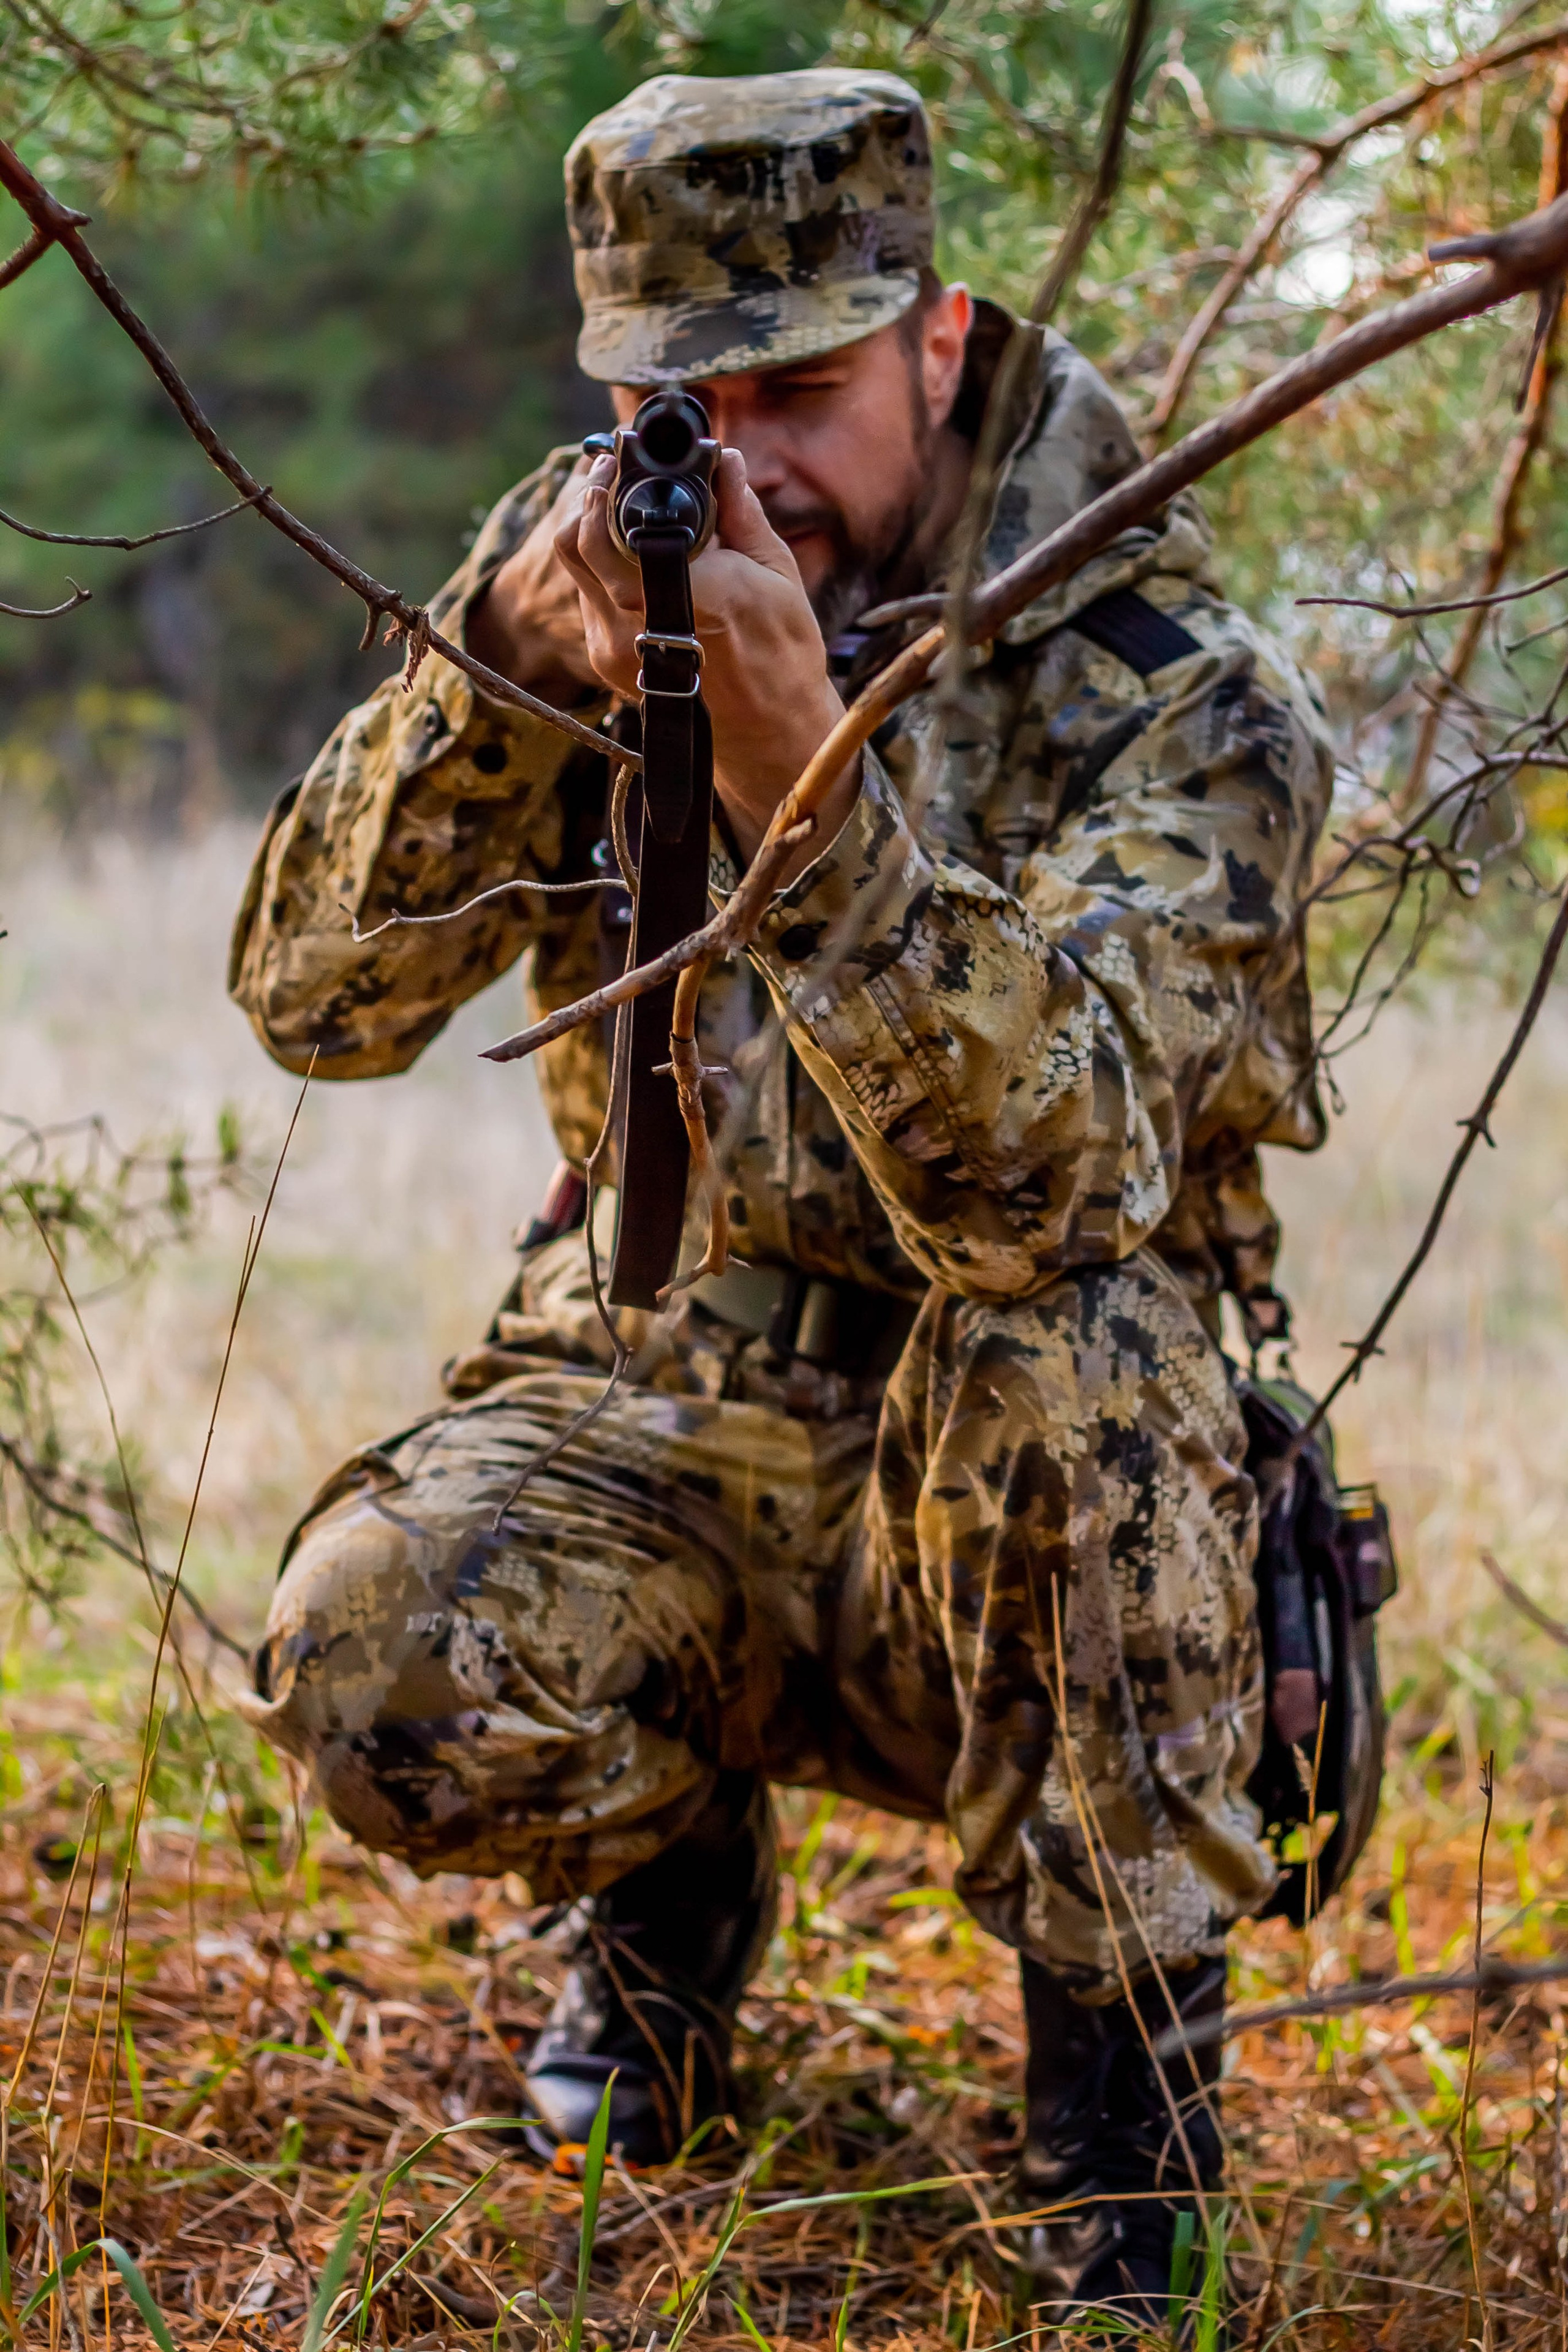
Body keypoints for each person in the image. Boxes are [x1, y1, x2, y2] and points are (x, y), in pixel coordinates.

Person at [229, 66, 1333, 2328]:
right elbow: (313, 1007)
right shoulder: (585, 585)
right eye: (682, 406)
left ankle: (1122, 2128)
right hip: (666, 1397)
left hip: (1014, 1489)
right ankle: (661, 1899)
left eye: (805, 395)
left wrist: (793, 794)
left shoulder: (1176, 692)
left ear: (940, 348)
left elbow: (1047, 1188)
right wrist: (495, 696)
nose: (750, 471)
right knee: (370, 1643)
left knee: (1082, 1354)